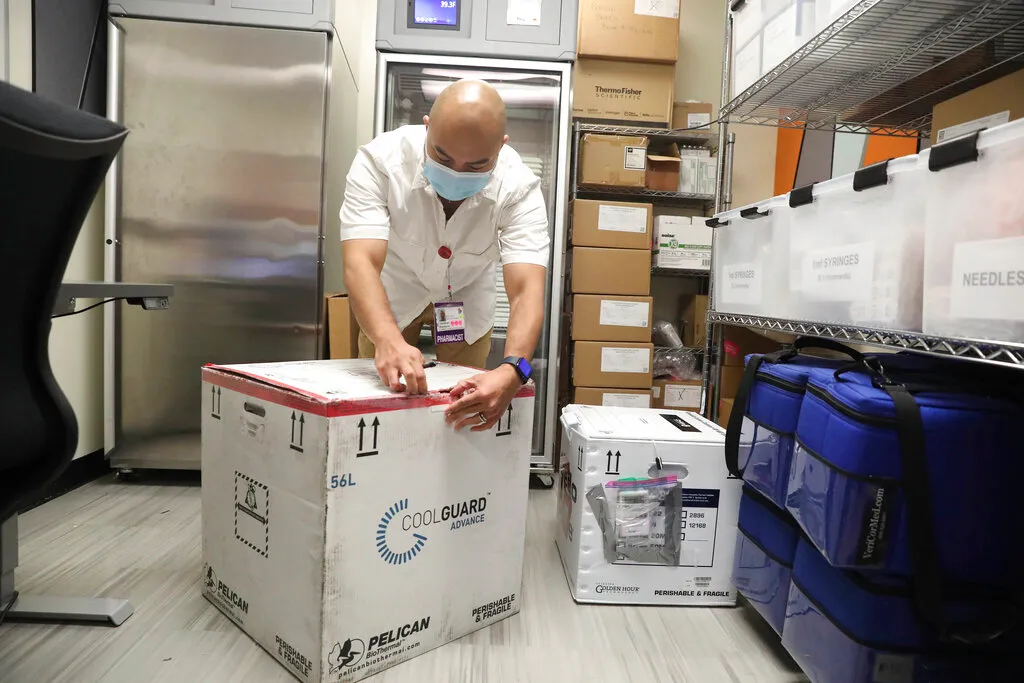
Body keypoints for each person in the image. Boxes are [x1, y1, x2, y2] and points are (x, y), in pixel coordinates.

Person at [339, 80, 550, 432]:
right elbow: (360, 261)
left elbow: (526, 289)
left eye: (476, 166)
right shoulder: (380, 161)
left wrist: (515, 369)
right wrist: (387, 340)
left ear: (501, 147)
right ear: (427, 127)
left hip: (465, 296)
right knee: (380, 394)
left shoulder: (519, 186)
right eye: (443, 157)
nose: (456, 174)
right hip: (395, 291)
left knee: (466, 400)